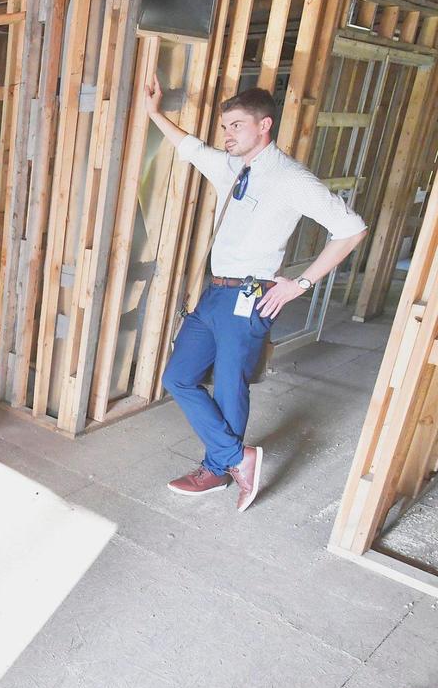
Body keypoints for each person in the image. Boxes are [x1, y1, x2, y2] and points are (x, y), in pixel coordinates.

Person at [144, 82, 368, 511]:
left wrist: (300, 283)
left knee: (229, 387)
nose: (227, 134)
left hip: (251, 294)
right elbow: (190, 147)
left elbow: (351, 228)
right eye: (225, 126)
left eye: (237, 125)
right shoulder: (232, 166)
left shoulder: (290, 177)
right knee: (177, 377)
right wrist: (154, 114)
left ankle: (216, 469)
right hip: (214, 294)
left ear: (264, 125)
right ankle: (235, 459)